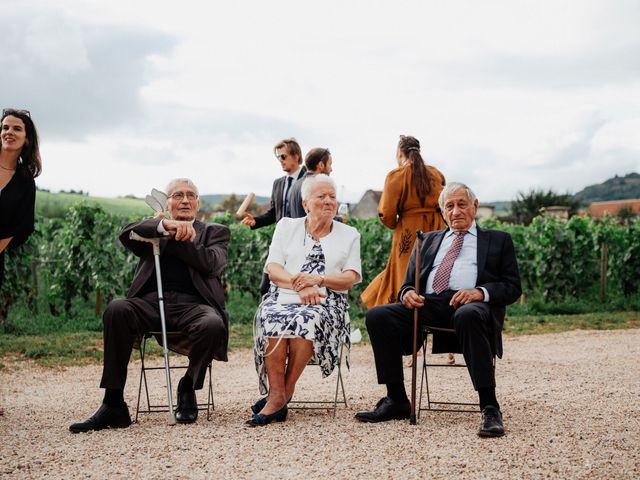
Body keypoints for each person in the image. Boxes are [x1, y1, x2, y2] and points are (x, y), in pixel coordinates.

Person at [355, 182, 522, 438]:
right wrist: (407, 294)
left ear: (474, 207)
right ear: (443, 212)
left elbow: (512, 287)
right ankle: (396, 399)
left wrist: (480, 292)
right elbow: (408, 283)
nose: (456, 211)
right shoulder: (428, 240)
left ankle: (489, 407)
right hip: (429, 303)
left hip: (472, 305)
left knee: (468, 314)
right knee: (378, 316)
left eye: (462, 204)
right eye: (449, 206)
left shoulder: (498, 240)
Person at [69, 178, 230, 433]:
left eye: (190, 195)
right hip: (150, 304)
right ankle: (113, 403)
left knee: (212, 324)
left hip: (194, 306)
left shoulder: (214, 231)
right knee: (117, 308)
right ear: (167, 203)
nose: (185, 200)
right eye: (178, 195)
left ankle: (187, 385)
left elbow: (211, 264)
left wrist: (181, 239)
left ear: (198, 204)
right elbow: (126, 232)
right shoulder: (153, 228)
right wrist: (163, 225)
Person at [247, 174, 361, 426]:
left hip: (328, 301)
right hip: (284, 293)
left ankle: (279, 395)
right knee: (271, 315)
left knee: (308, 318)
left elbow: (350, 278)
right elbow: (273, 268)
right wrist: (300, 287)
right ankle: (279, 396)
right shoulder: (286, 226)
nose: (329, 201)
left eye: (332, 196)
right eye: (321, 196)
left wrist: (318, 281)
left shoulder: (349, 233)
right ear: (305, 203)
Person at [361, 135, 446, 308]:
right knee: (432, 270)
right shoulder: (436, 174)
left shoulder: (396, 176)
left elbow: (387, 214)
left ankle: (401, 310)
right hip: (436, 229)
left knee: (405, 273)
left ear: (400, 153)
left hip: (409, 231)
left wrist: (397, 223)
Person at [240, 138, 306, 295]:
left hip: (303, 242)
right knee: (266, 287)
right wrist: (255, 221)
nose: (280, 161)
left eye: (283, 157)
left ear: (296, 156)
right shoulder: (278, 183)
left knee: (297, 285)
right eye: (278, 158)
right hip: (281, 241)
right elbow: (273, 214)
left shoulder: (308, 180)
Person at [0, 108, 41, 291]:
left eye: (16, 128)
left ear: (27, 139)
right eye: (5, 127)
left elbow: (19, 226)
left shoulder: (25, 183)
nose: (9, 132)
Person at [288, 147, 332, 218]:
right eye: (330, 164)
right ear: (321, 165)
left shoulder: (296, 184)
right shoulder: (317, 185)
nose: (331, 169)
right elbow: (318, 216)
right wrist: (339, 219)